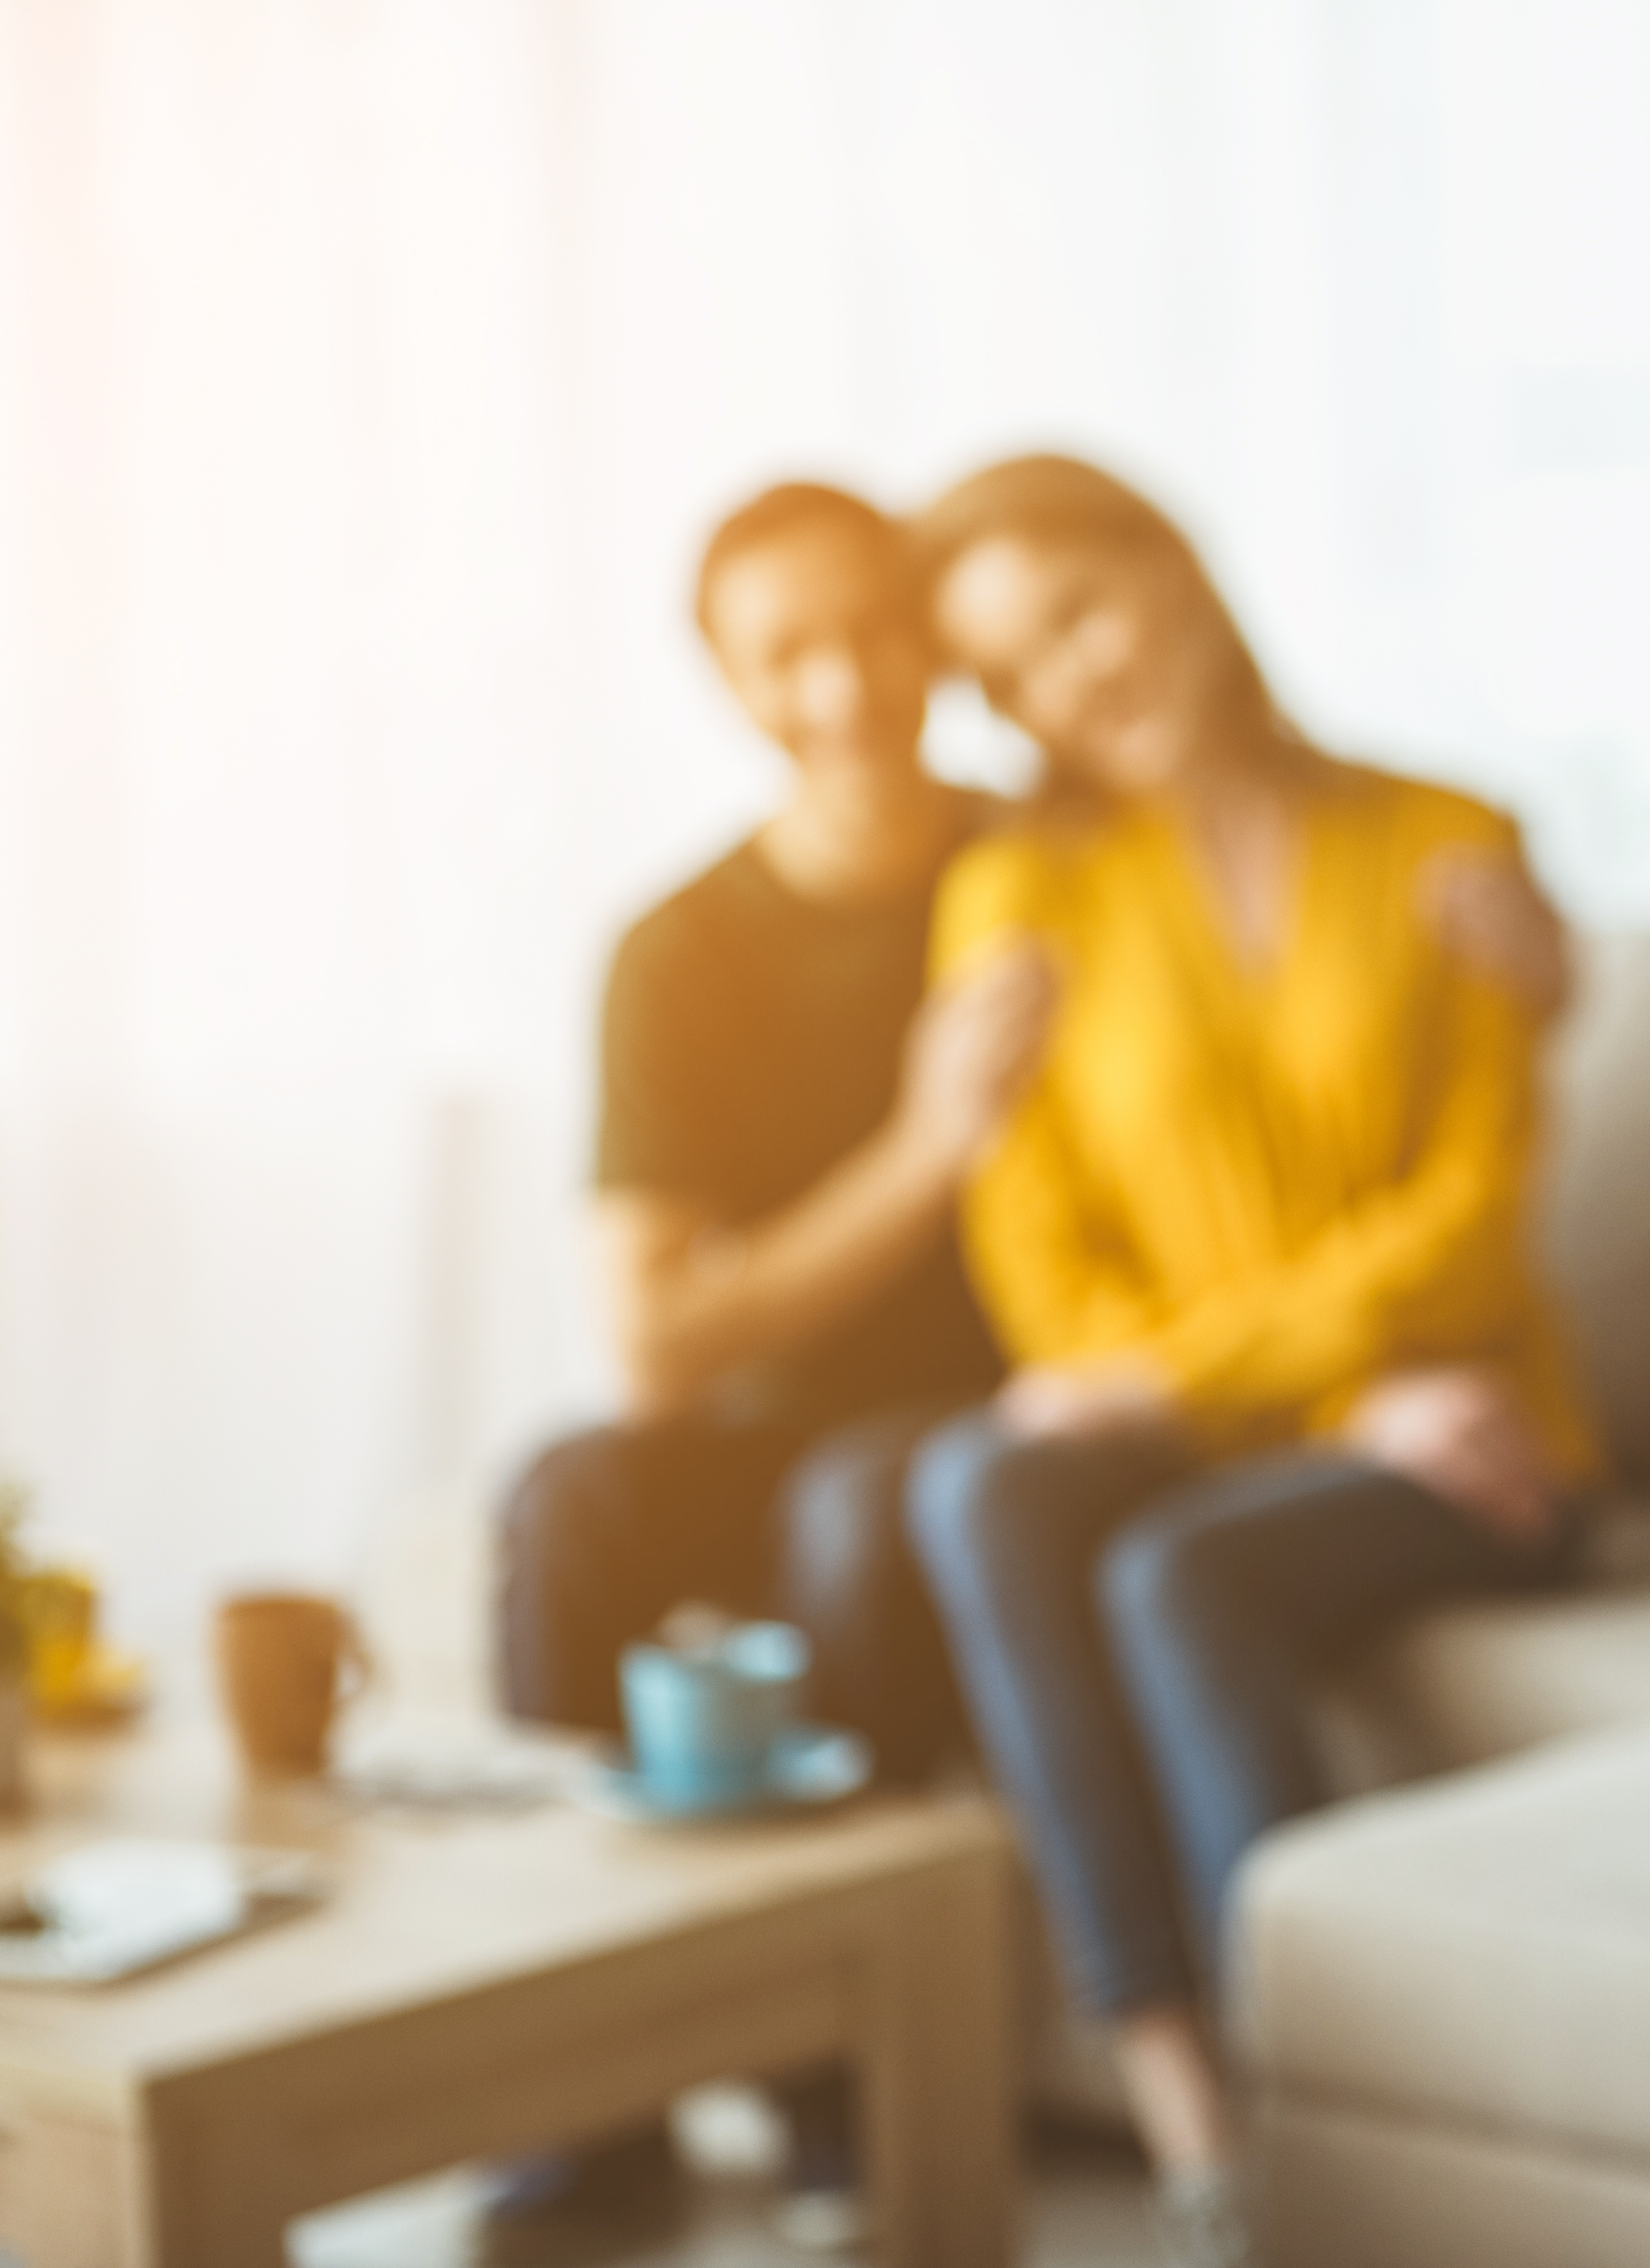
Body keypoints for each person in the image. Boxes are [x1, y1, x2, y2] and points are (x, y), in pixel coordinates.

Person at [893, 455, 1595, 2267]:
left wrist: (1264, 1392)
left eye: (1078, 614)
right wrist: (1311, 1390)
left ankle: (1317, 2127)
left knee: (1178, 1569)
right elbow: (1045, 1273)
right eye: (1016, 673)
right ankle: (1185, 2113)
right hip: (1316, 1422)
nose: (1070, 682)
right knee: (979, 1478)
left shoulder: (1451, 842)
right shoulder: (1019, 902)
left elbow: (1472, 1225)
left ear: (1176, 569)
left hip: (1481, 1439)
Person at [489, 481, 1050, 2248]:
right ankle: (583, 2080)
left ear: (936, 634)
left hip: (1005, 1413)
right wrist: (923, 1148)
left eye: (877, 627)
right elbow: (652, 1344)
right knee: (564, 1495)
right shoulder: (680, 953)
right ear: (735, 689)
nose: (849, 683)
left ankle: (836, 2081)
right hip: (760, 1421)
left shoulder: (1042, 870)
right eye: (790, 651)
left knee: (858, 1503)